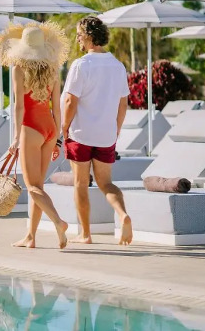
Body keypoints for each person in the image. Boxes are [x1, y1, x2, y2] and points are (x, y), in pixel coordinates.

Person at [0, 21, 70, 249]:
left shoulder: (18, 69)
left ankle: (58, 222)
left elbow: (19, 107)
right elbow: (57, 108)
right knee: (38, 187)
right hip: (49, 128)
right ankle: (31, 236)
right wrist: (58, 138)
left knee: (32, 187)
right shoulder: (53, 70)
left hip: (30, 128)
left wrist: (16, 137)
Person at [61, 16, 133, 246]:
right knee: (106, 183)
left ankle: (85, 234)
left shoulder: (81, 65)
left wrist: (64, 127)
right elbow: (123, 104)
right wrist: (116, 129)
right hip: (106, 135)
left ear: (89, 36)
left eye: (79, 35)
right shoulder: (118, 66)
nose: (77, 39)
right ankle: (122, 214)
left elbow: (70, 101)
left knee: (80, 184)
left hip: (80, 134)